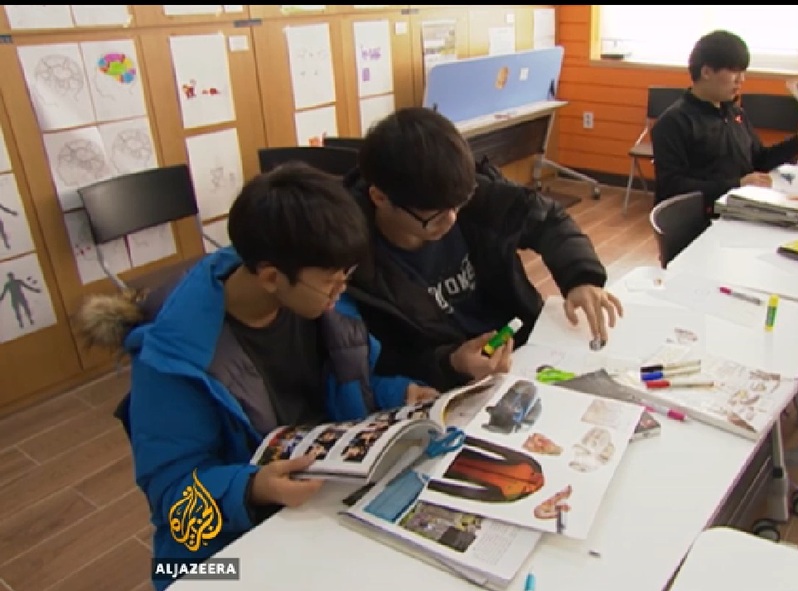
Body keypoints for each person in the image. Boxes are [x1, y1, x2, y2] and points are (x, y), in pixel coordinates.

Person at [74, 162, 438, 591]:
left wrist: (399, 392)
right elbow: (172, 497)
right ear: (269, 277)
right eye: (332, 282)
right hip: (214, 555)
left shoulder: (319, 298)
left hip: (320, 504)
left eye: (347, 277)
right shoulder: (174, 359)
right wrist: (253, 488)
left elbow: (354, 382)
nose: (342, 290)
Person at [344, 107, 623, 392]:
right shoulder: (352, 261)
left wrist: (580, 277)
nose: (451, 220)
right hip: (452, 386)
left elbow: (547, 219)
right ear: (380, 198)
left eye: (457, 207)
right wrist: (452, 363)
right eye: (435, 216)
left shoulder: (469, 192)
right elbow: (386, 362)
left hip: (528, 348)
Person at [650, 30, 798, 212]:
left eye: (743, 72)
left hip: (742, 209)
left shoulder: (735, 113)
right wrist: (737, 185)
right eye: (734, 71)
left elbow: (759, 160)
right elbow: (671, 187)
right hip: (702, 218)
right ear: (706, 72)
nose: (741, 80)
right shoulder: (673, 122)